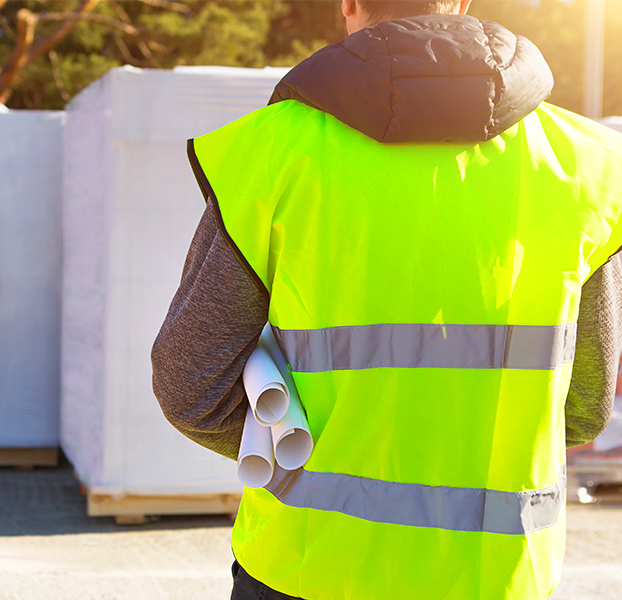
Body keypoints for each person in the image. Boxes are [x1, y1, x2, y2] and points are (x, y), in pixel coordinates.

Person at [151, 1, 622, 599]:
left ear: (349, 3)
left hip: (307, 565)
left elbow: (190, 386)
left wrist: (294, 452)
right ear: (461, 1)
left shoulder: (273, 154)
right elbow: (583, 408)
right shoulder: (585, 166)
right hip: (498, 575)